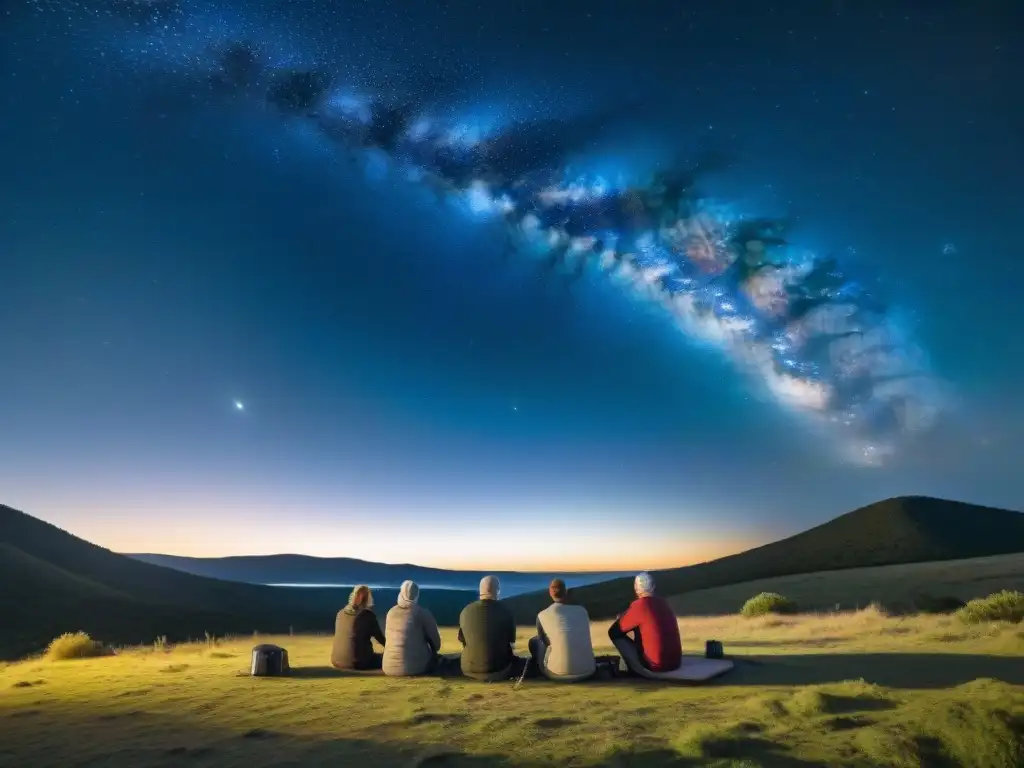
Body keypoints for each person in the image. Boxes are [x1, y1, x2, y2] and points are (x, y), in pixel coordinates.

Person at [607, 572, 682, 674]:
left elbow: (614, 631)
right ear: (654, 587)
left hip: (656, 665)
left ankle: (634, 669)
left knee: (615, 635)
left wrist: (622, 618)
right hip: (676, 663)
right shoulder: (663, 603)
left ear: (636, 589)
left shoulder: (640, 605)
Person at [528, 578, 596, 682]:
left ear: (550, 593)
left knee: (535, 641)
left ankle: (537, 668)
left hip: (557, 674)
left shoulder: (542, 615)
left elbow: (545, 642)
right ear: (566, 592)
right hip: (589, 670)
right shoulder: (583, 611)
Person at [457, 575, 521, 681]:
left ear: (480, 590)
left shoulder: (465, 611)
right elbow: (512, 643)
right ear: (498, 591)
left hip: (468, 669)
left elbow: (462, 640)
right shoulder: (506, 612)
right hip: (500, 670)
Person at [382, 580, 444, 676]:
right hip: (415, 668)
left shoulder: (391, 612)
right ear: (417, 595)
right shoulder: (422, 613)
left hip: (388, 667)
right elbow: (437, 645)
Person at [330, 584, 386, 670]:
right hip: (359, 662)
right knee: (385, 658)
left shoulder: (340, 613)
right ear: (368, 599)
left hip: (337, 661)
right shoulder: (367, 616)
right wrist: (392, 649)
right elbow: (380, 638)